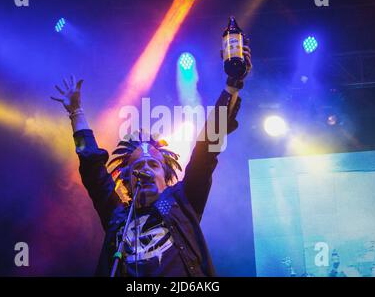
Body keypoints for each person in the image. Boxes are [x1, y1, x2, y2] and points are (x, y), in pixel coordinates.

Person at [51, 45, 251, 277]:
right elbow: (92, 168)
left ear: (167, 178)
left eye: (153, 164)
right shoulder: (118, 216)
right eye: (137, 166)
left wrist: (232, 85)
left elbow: (206, 150)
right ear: (126, 180)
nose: (145, 169)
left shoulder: (182, 201)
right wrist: (76, 112)